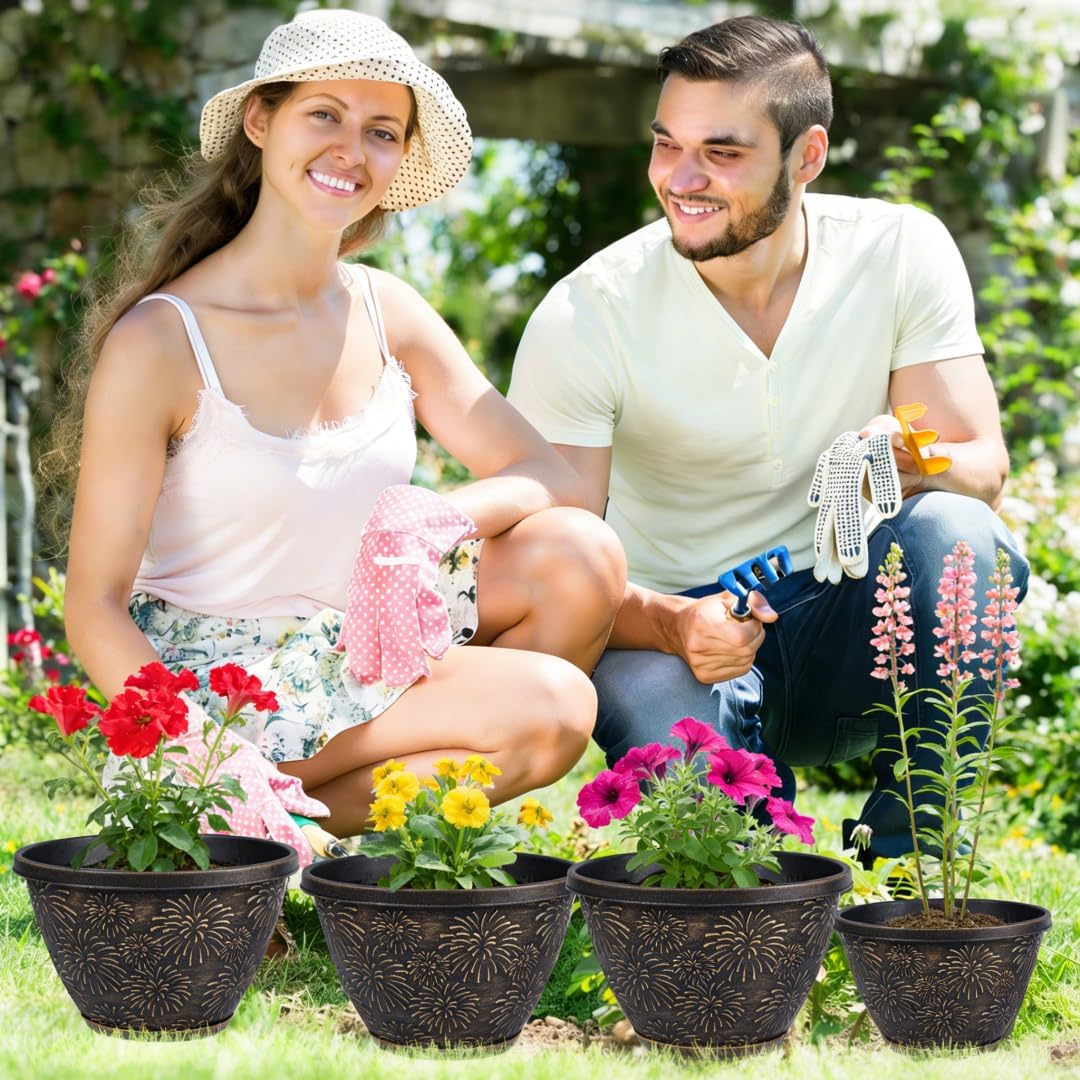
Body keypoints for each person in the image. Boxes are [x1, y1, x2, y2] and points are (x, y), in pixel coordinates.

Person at [56, 9, 626, 856]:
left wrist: (429, 520)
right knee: (554, 707)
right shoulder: (163, 341)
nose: (350, 151)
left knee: (579, 557)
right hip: (218, 684)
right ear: (261, 121)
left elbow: (554, 476)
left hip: (355, 645)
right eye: (324, 114)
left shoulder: (385, 308)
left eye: (382, 131)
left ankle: (280, 837)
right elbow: (92, 605)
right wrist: (188, 743)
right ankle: (222, 794)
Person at [507, 14, 1028, 860]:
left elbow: (984, 470)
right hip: (676, 628)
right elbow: (548, 566)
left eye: (723, 151)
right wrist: (677, 624)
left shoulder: (900, 251)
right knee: (718, 840)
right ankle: (758, 880)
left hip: (855, 613)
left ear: (807, 155)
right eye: (666, 144)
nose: (682, 178)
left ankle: (909, 869)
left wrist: (907, 459)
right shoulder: (586, 314)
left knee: (962, 536)